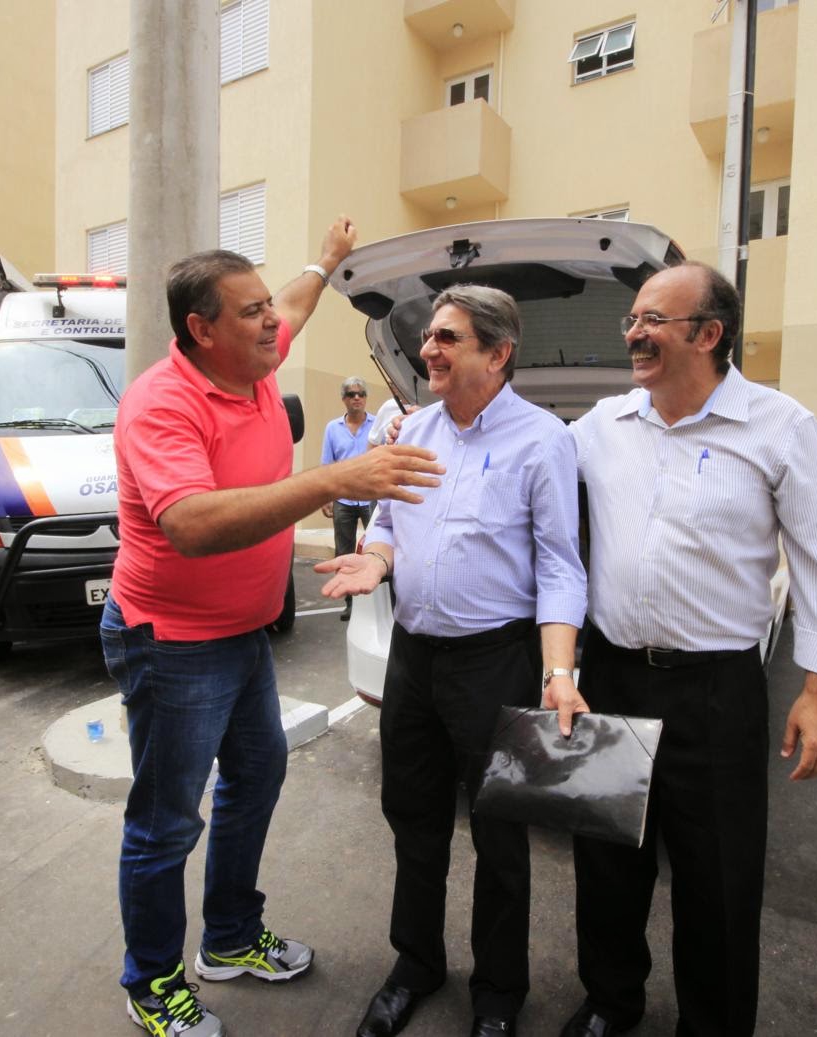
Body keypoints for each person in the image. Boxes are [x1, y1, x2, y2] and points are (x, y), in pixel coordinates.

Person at [101, 216, 447, 1037]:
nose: (271, 323)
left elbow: (292, 303)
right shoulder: (163, 404)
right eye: (249, 311)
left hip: (242, 635)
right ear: (202, 330)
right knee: (166, 821)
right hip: (172, 642)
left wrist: (324, 262)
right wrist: (331, 477)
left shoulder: (251, 353)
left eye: (265, 306)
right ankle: (151, 980)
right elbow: (191, 523)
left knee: (256, 776)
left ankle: (228, 935)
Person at [558, 262, 817, 1037]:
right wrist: (414, 425)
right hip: (613, 677)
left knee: (718, 877)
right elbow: (526, 463)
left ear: (708, 334)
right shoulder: (600, 424)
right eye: (632, 319)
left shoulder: (781, 426)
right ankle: (610, 1002)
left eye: (652, 321)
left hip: (715, 690)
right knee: (606, 861)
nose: (634, 333)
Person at [316, 285, 586, 1037]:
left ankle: (498, 994)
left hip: (493, 664)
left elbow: (560, 565)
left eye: (447, 337)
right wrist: (375, 560)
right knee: (414, 819)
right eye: (428, 335)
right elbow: (386, 519)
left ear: (497, 354)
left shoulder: (543, 440)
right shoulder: (412, 431)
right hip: (413, 661)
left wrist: (559, 672)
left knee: (500, 834)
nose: (427, 348)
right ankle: (415, 964)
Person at [320, 376, 377, 620]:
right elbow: (327, 465)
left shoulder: (377, 424)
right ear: (343, 399)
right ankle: (350, 603)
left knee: (375, 548)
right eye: (351, 394)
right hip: (343, 500)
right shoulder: (333, 428)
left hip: (371, 498)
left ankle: (376, 604)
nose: (357, 398)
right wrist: (326, 497)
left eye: (361, 393)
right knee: (343, 553)